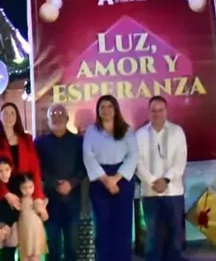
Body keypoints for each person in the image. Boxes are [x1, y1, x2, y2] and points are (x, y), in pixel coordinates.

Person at [0, 103, 45, 261]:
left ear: (17, 116)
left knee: (26, 243)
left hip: (24, 195)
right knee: (4, 243)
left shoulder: (26, 139)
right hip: (2, 195)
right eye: (5, 113)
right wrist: (6, 194)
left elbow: (35, 170)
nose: (9, 117)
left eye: (13, 113)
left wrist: (37, 196)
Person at [82, 95, 138, 261]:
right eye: (102, 107)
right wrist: (106, 180)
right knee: (103, 225)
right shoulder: (92, 131)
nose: (106, 110)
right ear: (98, 111)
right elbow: (88, 157)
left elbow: (134, 155)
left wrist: (117, 178)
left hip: (123, 179)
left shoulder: (126, 130)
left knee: (123, 225)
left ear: (115, 109)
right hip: (100, 180)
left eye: (109, 106)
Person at [136, 96, 188, 261]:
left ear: (166, 111)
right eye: (153, 110)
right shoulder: (139, 135)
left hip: (173, 193)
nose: (157, 113)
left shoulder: (177, 132)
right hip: (150, 194)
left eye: (160, 110)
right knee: (152, 238)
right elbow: (137, 164)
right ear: (149, 112)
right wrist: (153, 181)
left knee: (175, 237)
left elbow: (180, 161)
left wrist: (165, 180)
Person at [34, 103, 85, 261]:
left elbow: (84, 167)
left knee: (72, 247)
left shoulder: (78, 141)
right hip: (49, 202)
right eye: (52, 113)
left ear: (67, 118)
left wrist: (70, 183)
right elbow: (37, 168)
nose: (56, 116)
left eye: (60, 113)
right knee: (52, 246)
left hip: (73, 200)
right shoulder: (40, 143)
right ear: (48, 119)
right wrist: (55, 183)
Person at [0, 158, 20, 258]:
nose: (4, 174)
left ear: (11, 169)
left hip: (11, 225)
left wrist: (7, 226)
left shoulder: (15, 185)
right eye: (0, 171)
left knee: (9, 255)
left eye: (7, 170)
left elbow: (16, 210)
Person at [16, 174, 48, 261]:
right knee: (24, 257)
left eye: (30, 187)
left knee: (35, 257)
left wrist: (43, 211)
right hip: (24, 233)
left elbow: (45, 218)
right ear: (19, 188)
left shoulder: (38, 200)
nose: (28, 190)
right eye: (24, 188)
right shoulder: (18, 200)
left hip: (36, 233)